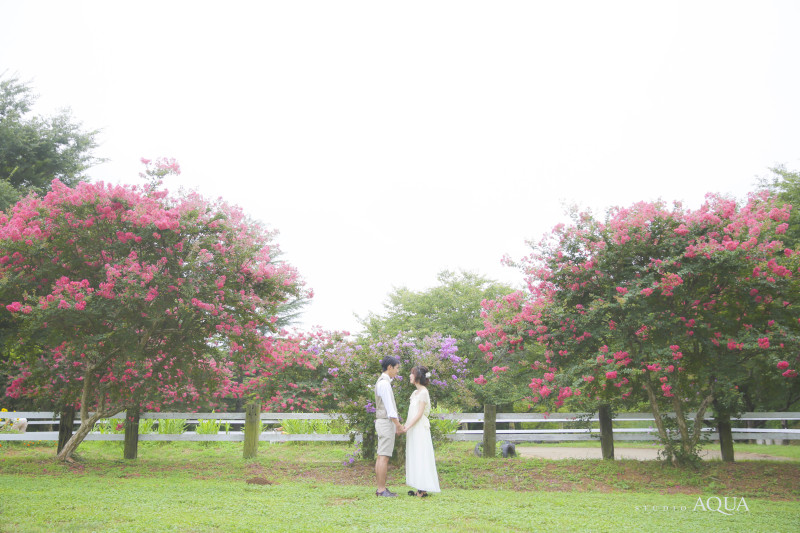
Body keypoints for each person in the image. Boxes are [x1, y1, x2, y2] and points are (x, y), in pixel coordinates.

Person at [403, 365, 441, 497]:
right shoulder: (414, 393)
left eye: (411, 374)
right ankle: (419, 486)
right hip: (413, 428)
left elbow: (419, 414)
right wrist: (406, 426)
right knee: (415, 455)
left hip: (420, 427)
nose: (409, 376)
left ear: (417, 377)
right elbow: (411, 413)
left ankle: (423, 488)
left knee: (421, 455)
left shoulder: (424, 392)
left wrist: (408, 427)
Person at [374, 355, 405, 497]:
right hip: (385, 423)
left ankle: (381, 488)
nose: (397, 371)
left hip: (383, 422)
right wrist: (398, 425)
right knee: (383, 456)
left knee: (382, 456)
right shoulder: (385, 384)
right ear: (389, 367)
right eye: (397, 368)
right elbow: (390, 408)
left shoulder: (382, 382)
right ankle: (381, 489)